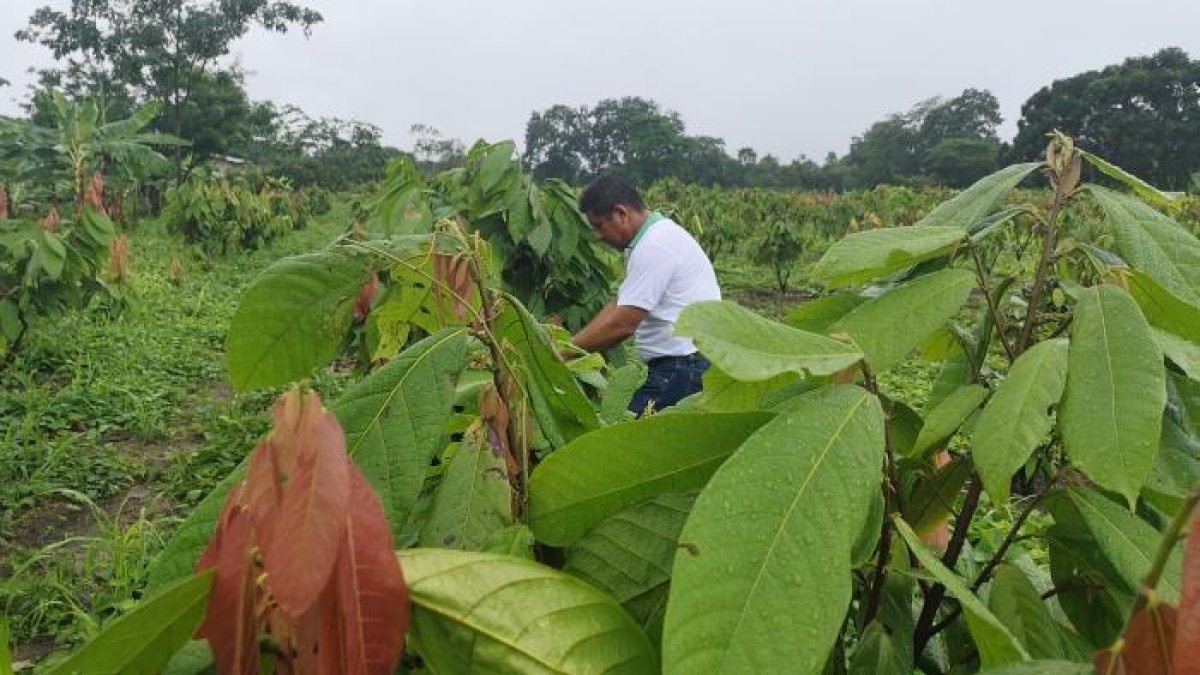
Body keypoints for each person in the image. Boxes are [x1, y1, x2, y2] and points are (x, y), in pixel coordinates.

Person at [568, 175, 721, 415]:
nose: (597, 235)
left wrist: (562, 354)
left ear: (621, 213)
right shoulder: (653, 239)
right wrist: (569, 346)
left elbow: (623, 323)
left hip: (681, 367)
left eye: (598, 225)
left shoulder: (654, 246)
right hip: (683, 364)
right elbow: (618, 304)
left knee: (626, 441)